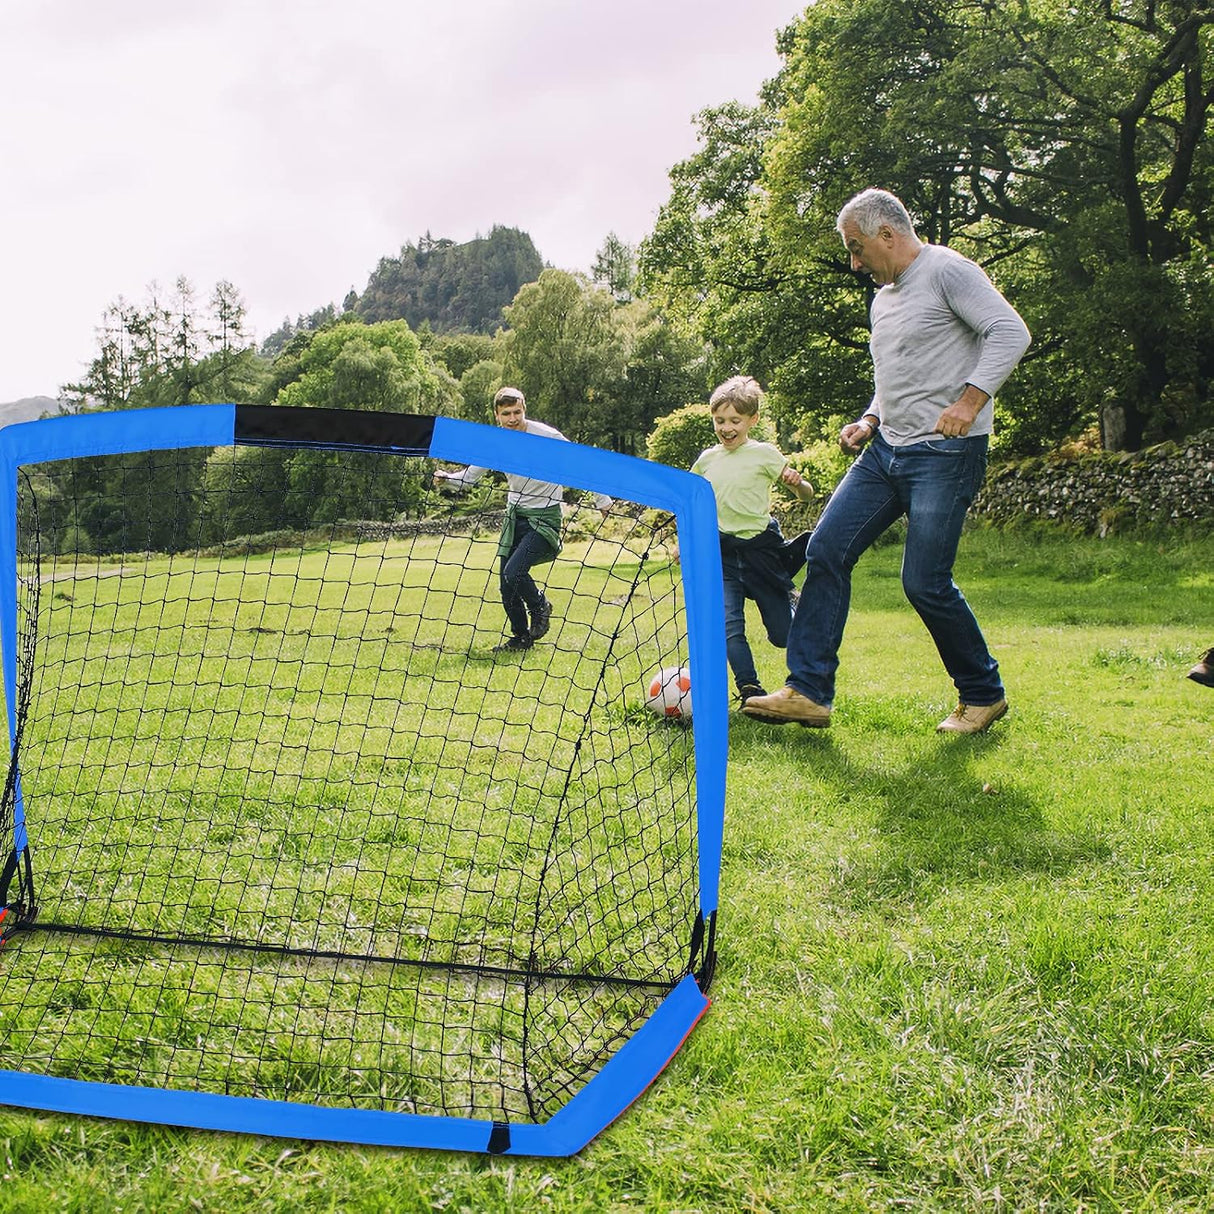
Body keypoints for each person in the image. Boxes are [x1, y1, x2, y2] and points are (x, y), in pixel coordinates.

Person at [744, 187, 1031, 734]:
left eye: (856, 248)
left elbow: (1010, 331)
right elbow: (894, 374)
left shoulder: (948, 271)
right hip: (885, 451)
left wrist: (970, 402)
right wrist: (870, 419)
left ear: (887, 235)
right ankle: (807, 691)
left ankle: (982, 693)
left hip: (945, 455)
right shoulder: (884, 298)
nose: (854, 262)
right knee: (826, 549)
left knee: (924, 581)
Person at [433, 386, 611, 652]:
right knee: (506, 584)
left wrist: (603, 499)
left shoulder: (548, 437)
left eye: (517, 412)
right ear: (497, 415)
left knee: (514, 571)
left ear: (524, 409)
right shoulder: (495, 444)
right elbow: (469, 477)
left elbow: (581, 463)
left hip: (545, 515)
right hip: (515, 515)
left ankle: (540, 605)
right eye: (506, 413)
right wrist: (446, 479)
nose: (513, 418)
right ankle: (520, 638)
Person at [690, 375, 815, 706]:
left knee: (781, 636)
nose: (726, 427)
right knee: (728, 626)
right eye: (720, 420)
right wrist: (683, 543)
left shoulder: (765, 454)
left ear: (752, 420)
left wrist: (796, 482)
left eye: (735, 420)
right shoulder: (706, 460)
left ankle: (793, 600)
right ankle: (749, 689)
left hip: (761, 552)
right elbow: (690, 503)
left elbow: (806, 495)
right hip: (723, 554)